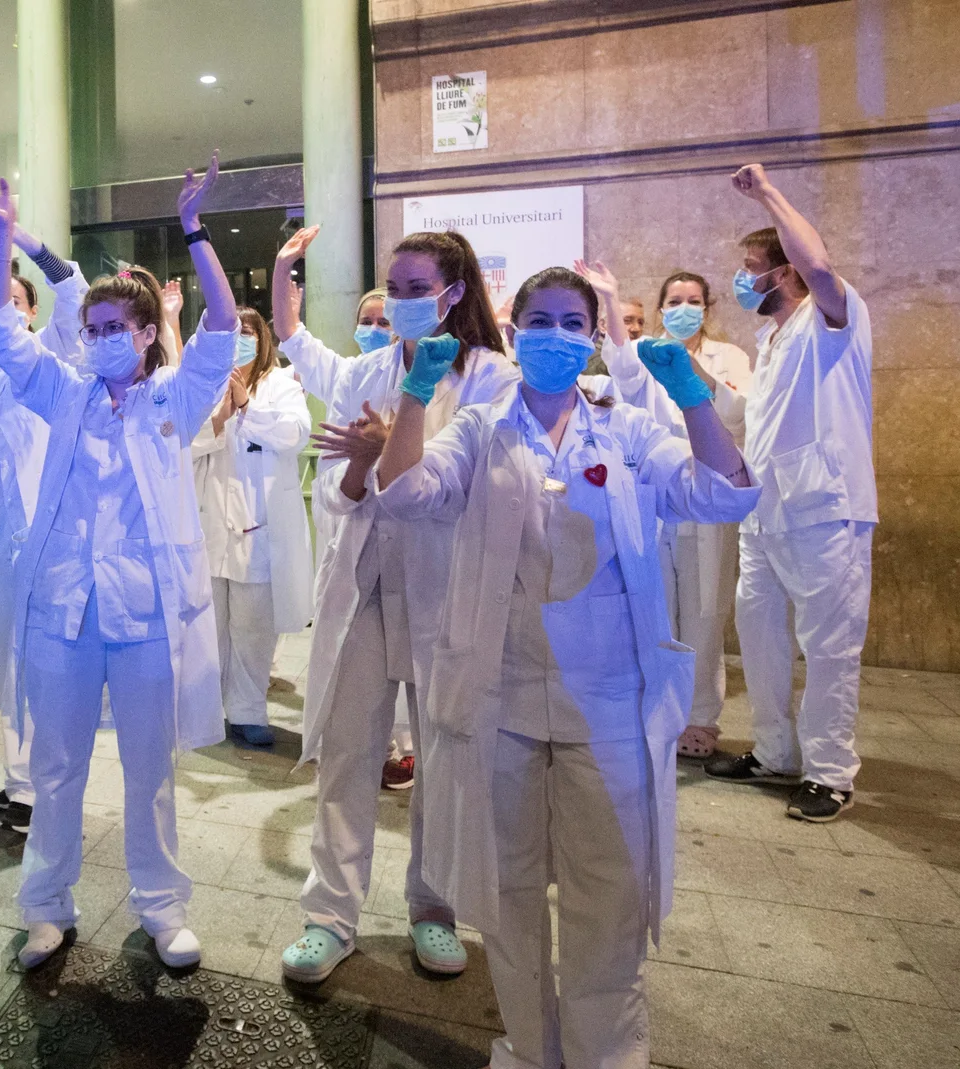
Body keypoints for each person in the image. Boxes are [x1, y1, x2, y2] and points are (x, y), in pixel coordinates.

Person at [373, 266, 758, 1069]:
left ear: (592, 334)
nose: (554, 335)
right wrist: (416, 391)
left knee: (608, 901)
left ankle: (606, 1060)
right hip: (499, 701)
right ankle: (526, 1051)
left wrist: (689, 396)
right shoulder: (480, 426)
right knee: (508, 902)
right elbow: (404, 492)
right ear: (513, 330)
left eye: (571, 321)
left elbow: (723, 495)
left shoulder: (623, 426)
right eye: (538, 320)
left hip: (609, 707)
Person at [0, 156, 236, 971]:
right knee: (55, 766)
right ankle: (46, 905)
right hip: (63, 608)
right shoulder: (64, 390)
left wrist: (192, 229)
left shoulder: (172, 400)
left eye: (117, 328)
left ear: (150, 334)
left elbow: (222, 329)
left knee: (151, 769)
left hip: (147, 611)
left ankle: (161, 907)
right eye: (92, 330)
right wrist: (4, 241)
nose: (102, 341)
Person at [274, 227, 517, 983]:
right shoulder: (364, 373)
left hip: (446, 588)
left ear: (454, 292)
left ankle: (434, 908)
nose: (404, 303)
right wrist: (364, 469)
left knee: (443, 753)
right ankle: (329, 914)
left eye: (418, 289)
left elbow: (483, 497)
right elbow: (341, 500)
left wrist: (394, 456)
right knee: (349, 753)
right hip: (365, 586)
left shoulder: (488, 378)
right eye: (396, 288)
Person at [703, 163, 874, 823]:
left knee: (830, 645)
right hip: (766, 515)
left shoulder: (833, 318)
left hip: (825, 513)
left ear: (786, 271)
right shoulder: (770, 336)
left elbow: (822, 265)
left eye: (754, 267)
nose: (744, 279)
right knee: (761, 634)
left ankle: (830, 772)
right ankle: (775, 751)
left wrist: (770, 194)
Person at [575, 263, 754, 761]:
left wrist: (690, 373)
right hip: (656, 497)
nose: (682, 310)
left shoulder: (729, 357)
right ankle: (659, 710)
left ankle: (700, 718)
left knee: (704, 611)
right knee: (657, 606)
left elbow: (738, 414)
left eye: (693, 301)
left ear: (708, 307)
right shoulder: (649, 354)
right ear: (659, 309)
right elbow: (625, 370)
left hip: (708, 496)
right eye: (672, 302)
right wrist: (608, 297)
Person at [0, 223, 89, 834]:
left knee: (40, 663)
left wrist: (25, 242)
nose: (1, 310)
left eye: (13, 300)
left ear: (30, 315)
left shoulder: (53, 357)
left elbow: (76, 290)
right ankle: (19, 780)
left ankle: (44, 785)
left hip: (44, 536)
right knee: (4, 661)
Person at [191, 307, 311, 748]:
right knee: (209, 626)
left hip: (257, 525)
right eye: (229, 332)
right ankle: (207, 708)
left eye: (247, 332)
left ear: (263, 339)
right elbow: (177, 442)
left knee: (253, 624)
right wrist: (218, 419)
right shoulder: (199, 382)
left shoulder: (279, 385)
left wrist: (246, 407)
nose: (239, 339)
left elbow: (296, 434)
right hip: (207, 523)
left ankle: (246, 711)